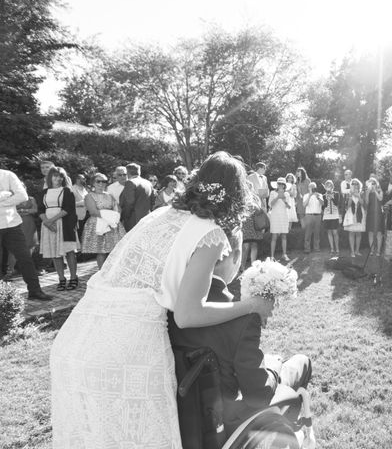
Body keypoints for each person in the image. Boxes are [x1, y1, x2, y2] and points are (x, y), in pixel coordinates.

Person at [49, 151, 273, 448]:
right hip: (130, 349)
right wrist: (251, 305)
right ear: (235, 196)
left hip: (79, 339)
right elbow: (187, 315)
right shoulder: (211, 233)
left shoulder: (161, 215)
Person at [167, 240, 312, 442]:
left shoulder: (168, 309)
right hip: (227, 425)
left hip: (183, 421)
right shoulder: (243, 320)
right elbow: (258, 395)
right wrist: (274, 365)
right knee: (301, 363)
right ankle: (283, 436)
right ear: (236, 255)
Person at [0, 169, 52, 300]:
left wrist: (3, 201)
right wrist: (6, 195)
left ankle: (35, 291)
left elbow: (22, 196)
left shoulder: (8, 175)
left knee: (25, 259)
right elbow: (15, 197)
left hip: (12, 225)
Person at [38, 166, 80, 291]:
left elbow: (68, 209)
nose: (58, 178)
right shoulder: (43, 193)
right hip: (48, 225)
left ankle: (73, 277)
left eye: (61, 176)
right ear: (50, 177)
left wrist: (50, 221)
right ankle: (61, 278)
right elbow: (40, 209)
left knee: (69, 252)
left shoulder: (67, 191)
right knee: (54, 253)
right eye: (55, 175)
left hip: (64, 224)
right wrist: (46, 222)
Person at [81, 173, 126, 269]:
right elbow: (93, 211)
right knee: (101, 250)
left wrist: (114, 219)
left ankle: (112, 272)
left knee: (113, 250)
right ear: (93, 182)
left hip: (112, 225)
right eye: (98, 181)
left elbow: (118, 210)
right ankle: (101, 274)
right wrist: (110, 217)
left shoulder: (110, 196)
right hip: (97, 224)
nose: (101, 183)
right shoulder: (89, 196)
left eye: (104, 181)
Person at [119, 163, 154, 232]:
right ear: (139, 172)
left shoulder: (130, 183)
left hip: (133, 218)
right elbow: (152, 201)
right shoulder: (148, 183)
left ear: (127, 172)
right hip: (147, 218)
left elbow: (129, 202)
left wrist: (125, 216)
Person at [241, 181, 264, 270]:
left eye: (250, 187)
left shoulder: (255, 198)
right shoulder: (241, 198)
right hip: (245, 224)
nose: (249, 189)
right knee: (245, 246)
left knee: (254, 245)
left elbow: (260, 209)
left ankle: (253, 266)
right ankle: (242, 267)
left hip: (255, 224)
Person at [268, 177, 293, 261]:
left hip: (284, 216)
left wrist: (284, 200)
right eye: (279, 184)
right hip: (275, 216)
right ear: (277, 185)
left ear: (284, 185)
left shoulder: (287, 194)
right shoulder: (272, 193)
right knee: (274, 236)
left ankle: (284, 254)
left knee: (284, 236)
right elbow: (270, 204)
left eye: (282, 184)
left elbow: (289, 207)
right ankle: (272, 256)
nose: (281, 185)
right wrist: (278, 197)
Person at [343, 178, 366, 257]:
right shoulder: (348, 193)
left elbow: (363, 204)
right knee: (352, 233)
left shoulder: (362, 193)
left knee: (359, 233)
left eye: (356, 183)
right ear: (351, 185)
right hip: (351, 215)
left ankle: (357, 251)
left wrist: (358, 196)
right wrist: (350, 196)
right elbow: (347, 206)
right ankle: (352, 251)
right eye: (353, 183)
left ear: (359, 185)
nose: (355, 185)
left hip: (359, 214)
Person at [365, 177, 385, 256]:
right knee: (370, 232)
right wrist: (367, 193)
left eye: (374, 183)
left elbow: (380, 199)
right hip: (370, 213)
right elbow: (367, 202)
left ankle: (378, 251)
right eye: (371, 183)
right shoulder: (368, 191)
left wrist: (375, 191)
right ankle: (372, 250)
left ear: (376, 183)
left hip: (378, 214)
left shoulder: (380, 190)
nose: (372, 184)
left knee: (379, 233)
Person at [302, 182, 323, 253]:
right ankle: (307, 249)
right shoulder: (306, 195)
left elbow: (323, 204)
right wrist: (310, 196)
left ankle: (316, 248)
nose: (312, 188)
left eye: (314, 187)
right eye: (311, 187)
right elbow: (304, 205)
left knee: (317, 233)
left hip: (318, 216)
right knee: (308, 233)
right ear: (308, 188)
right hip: (309, 216)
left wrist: (318, 197)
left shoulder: (319, 195)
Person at [322, 180, 341, 254]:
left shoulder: (336, 194)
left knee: (335, 232)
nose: (328, 187)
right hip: (327, 216)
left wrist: (331, 196)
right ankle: (332, 249)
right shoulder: (323, 195)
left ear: (332, 186)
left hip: (335, 215)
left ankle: (337, 248)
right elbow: (325, 206)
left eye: (330, 185)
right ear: (325, 187)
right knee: (329, 232)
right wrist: (326, 197)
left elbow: (336, 203)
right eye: (327, 185)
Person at [71, 174, 89, 240]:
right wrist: (82, 203)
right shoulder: (72, 189)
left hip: (86, 215)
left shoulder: (85, 190)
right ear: (77, 179)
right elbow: (69, 204)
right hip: (77, 215)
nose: (85, 180)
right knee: (77, 234)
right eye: (83, 179)